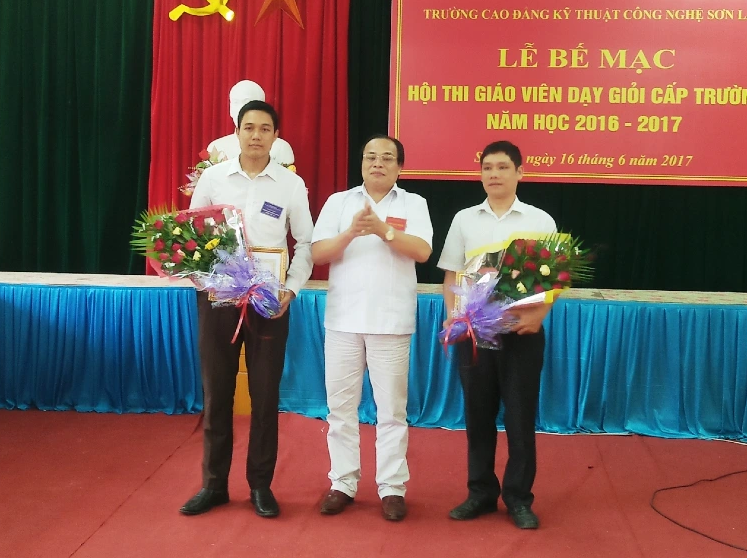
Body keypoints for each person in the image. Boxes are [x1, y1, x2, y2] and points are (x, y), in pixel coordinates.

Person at [181, 100, 313, 519]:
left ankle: (260, 485)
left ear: (276, 136)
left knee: (265, 394)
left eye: (265, 128)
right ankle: (214, 485)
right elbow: (190, 233)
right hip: (219, 300)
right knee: (217, 391)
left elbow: (305, 244)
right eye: (249, 127)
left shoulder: (291, 185)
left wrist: (291, 289)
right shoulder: (214, 178)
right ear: (236, 132)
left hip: (269, 303)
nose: (256, 135)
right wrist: (200, 277)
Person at [311, 134, 433, 522]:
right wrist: (350, 232)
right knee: (340, 409)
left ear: (400, 167)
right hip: (343, 321)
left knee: (392, 411)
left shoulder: (414, 203)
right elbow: (317, 253)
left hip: (391, 322)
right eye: (370, 157)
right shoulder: (339, 202)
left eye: (387, 158)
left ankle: (392, 487)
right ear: (362, 163)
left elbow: (423, 251)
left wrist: (383, 230)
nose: (377, 163)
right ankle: (343, 483)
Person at [437, 140, 557, 530]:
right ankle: (481, 493)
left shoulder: (540, 221)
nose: (494, 174)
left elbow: (554, 279)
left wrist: (539, 315)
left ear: (520, 172)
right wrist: (454, 317)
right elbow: (452, 273)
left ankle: (519, 498)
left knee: (520, 419)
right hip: (474, 335)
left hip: (521, 333)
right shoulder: (464, 219)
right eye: (487, 167)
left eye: (503, 167)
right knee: (478, 416)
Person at [207, 80, 295, 168]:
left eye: (247, 102)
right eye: (235, 102)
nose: (241, 109)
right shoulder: (216, 147)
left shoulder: (281, 148)